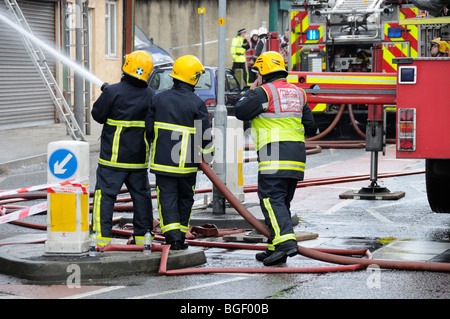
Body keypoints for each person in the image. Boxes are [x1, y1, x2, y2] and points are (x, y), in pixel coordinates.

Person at [234, 51, 315, 266]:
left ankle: (287, 244)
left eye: (257, 74)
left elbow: (240, 111)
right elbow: (312, 127)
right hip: (297, 154)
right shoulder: (299, 93)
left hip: (274, 153)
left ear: (263, 72)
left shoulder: (264, 92)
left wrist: (249, 94)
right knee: (281, 201)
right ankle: (275, 246)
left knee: (270, 199)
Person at [146, 55, 214, 250]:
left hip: (163, 164)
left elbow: (149, 130)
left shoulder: (159, 99)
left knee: (166, 199)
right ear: (193, 78)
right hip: (188, 165)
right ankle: (180, 237)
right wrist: (207, 160)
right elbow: (205, 136)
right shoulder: (196, 102)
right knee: (185, 199)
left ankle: (172, 238)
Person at [91, 50, 155, 248]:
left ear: (127, 67)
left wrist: (108, 94)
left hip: (113, 159)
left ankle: (101, 239)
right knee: (142, 197)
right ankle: (143, 238)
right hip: (138, 160)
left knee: (105, 196)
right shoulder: (152, 96)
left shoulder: (113, 92)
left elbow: (97, 115)